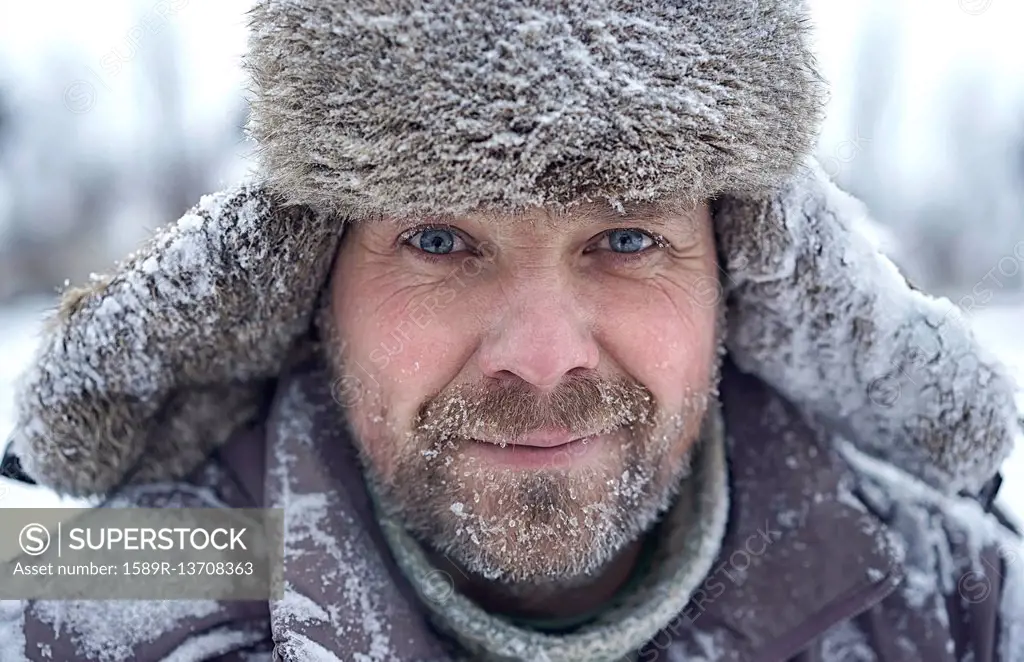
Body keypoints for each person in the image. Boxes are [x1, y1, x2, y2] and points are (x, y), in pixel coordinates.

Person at [1, 1, 1021, 660]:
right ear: (312, 279)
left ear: (735, 270)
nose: (540, 355)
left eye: (624, 235)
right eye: (440, 237)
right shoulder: (96, 606)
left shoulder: (955, 601)